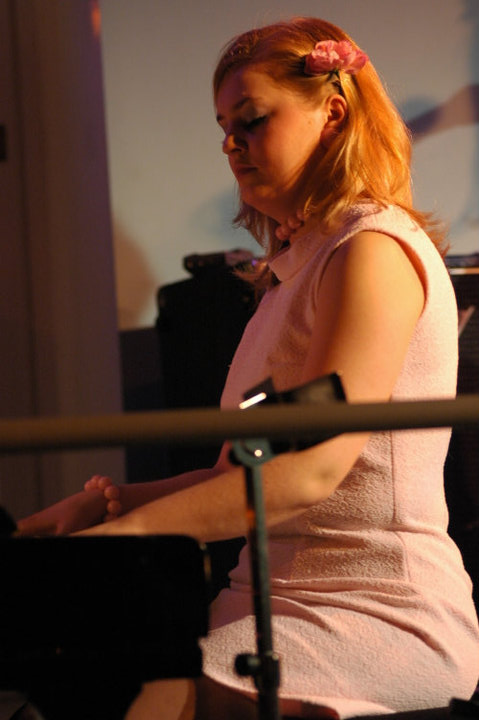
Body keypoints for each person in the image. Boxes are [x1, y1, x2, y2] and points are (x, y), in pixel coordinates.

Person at [18, 16, 479, 720]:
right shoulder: (293, 272)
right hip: (267, 603)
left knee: (130, 695)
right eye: (223, 127)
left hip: (372, 614)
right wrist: (108, 508)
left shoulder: (373, 250)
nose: (230, 144)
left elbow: (314, 470)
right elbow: (242, 475)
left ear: (332, 114)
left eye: (252, 120)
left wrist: (120, 543)